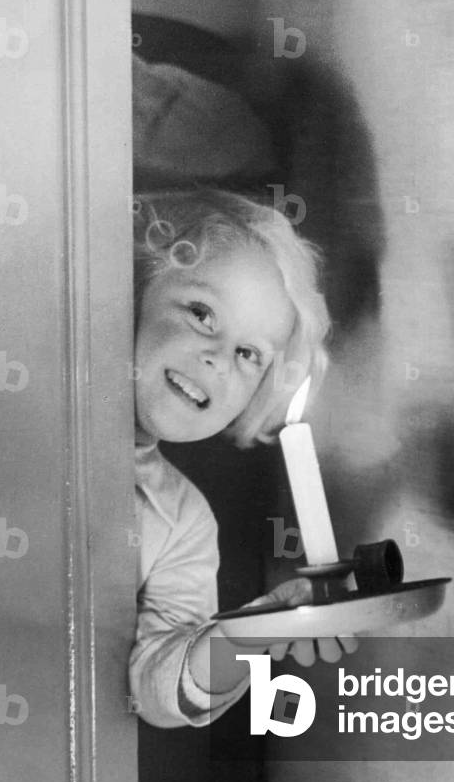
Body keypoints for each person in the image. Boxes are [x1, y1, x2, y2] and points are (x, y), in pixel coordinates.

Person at [130, 187, 356, 728]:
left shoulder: (183, 521)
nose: (219, 359)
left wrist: (254, 631)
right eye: (203, 314)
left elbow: (155, 687)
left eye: (249, 354)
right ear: (135, 287)